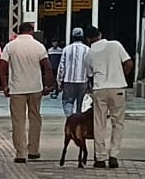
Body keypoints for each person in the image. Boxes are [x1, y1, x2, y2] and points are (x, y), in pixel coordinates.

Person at [0, 21, 54, 163]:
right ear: (31, 31)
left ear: (18, 31)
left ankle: (21, 154)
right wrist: (48, 85)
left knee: (18, 121)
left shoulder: (10, 46)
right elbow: (47, 67)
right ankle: (33, 150)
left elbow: (2, 67)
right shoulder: (39, 46)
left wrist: (4, 86)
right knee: (35, 118)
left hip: (17, 89)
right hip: (35, 88)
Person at [86, 26, 134, 169]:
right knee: (117, 123)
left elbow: (89, 75)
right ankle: (113, 155)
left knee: (99, 123)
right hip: (118, 88)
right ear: (100, 34)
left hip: (99, 89)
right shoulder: (115, 45)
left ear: (88, 39)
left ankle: (100, 157)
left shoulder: (89, 54)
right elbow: (129, 63)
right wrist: (120, 76)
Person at [56, 27, 91, 117]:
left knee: (68, 102)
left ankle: (70, 119)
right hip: (83, 80)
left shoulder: (66, 49)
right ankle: (78, 122)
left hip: (68, 81)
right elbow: (90, 67)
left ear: (73, 37)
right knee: (81, 103)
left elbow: (61, 67)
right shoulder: (88, 49)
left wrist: (59, 82)